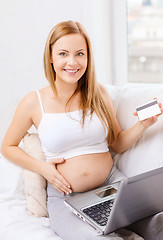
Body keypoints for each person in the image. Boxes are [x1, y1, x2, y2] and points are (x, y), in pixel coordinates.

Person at [1, 20, 163, 240]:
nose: (72, 62)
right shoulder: (33, 102)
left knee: (158, 226)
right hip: (67, 199)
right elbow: (8, 146)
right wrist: (43, 169)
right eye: (63, 54)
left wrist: (142, 124)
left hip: (113, 186)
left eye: (80, 54)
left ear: (88, 57)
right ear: (50, 56)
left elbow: (117, 143)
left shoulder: (99, 94)